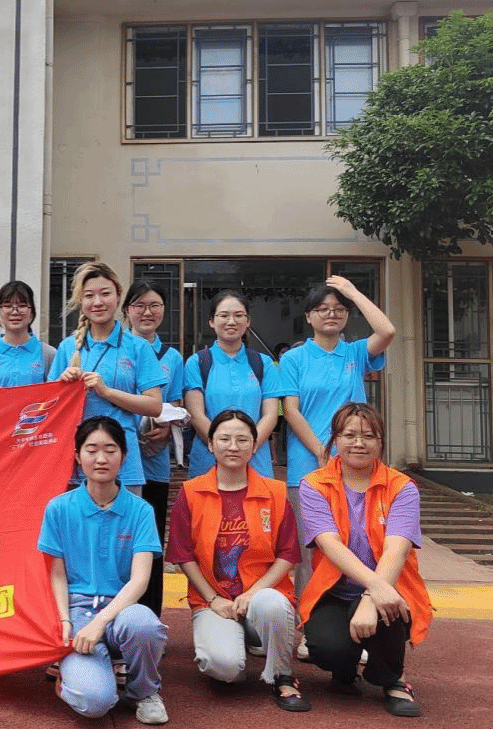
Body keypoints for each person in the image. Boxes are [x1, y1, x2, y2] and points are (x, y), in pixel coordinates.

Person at [166, 409, 309, 712]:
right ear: (210, 444)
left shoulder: (274, 492)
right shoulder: (191, 493)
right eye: (224, 439)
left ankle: (282, 674)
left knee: (271, 604)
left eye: (242, 440)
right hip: (214, 601)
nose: (233, 446)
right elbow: (182, 554)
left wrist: (252, 594)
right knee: (224, 667)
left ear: (254, 446)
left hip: (261, 597)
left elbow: (288, 554)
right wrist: (213, 598)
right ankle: (235, 644)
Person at [279, 275, 396, 640]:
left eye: (338, 309)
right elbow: (291, 409)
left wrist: (353, 293)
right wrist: (319, 448)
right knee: (310, 551)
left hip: (356, 467)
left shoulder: (356, 353)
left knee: (359, 547)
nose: (331, 314)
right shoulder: (294, 358)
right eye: (322, 309)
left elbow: (387, 331)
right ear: (308, 316)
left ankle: (356, 625)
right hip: (308, 466)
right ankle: (308, 629)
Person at [299, 403, 430, 718]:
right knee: (325, 648)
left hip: (390, 588)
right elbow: (330, 544)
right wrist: (375, 588)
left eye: (369, 436)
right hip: (335, 592)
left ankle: (392, 680)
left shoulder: (402, 487)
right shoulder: (314, 485)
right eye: (350, 435)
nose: (359, 443)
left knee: (390, 606)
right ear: (335, 439)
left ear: (381, 442)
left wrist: (373, 595)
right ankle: (343, 670)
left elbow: (396, 549)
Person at [38, 416, 169, 725]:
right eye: (91, 450)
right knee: (95, 702)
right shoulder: (58, 508)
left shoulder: (140, 510)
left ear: (123, 456)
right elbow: (57, 574)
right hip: (78, 612)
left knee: (144, 624)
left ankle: (144, 691)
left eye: (110, 450)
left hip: (121, 610)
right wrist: (65, 621)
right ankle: (75, 677)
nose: (101, 459)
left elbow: (140, 580)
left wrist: (100, 623)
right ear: (77, 456)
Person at [49, 262, 164, 495]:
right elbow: (48, 408)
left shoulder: (138, 347)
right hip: (75, 462)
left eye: (105, 293)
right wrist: (61, 385)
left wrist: (107, 392)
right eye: (89, 295)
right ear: (80, 301)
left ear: (119, 296)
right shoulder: (67, 347)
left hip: (123, 461)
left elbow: (154, 406)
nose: (98, 302)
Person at [121, 279, 184, 615]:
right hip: (117, 461)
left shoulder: (171, 357)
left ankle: (149, 617)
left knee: (150, 541)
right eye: (139, 306)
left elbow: (176, 403)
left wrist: (167, 428)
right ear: (126, 311)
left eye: (154, 305)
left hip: (154, 462)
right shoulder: (116, 349)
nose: (147, 312)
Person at [183, 290, 282, 480]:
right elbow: (195, 415)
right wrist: (223, 449)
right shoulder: (198, 362)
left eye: (238, 315)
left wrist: (247, 448)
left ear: (248, 321)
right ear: (211, 321)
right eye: (224, 315)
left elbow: (270, 415)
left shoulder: (263, 363)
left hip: (256, 462)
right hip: (208, 462)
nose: (231, 321)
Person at [0, 280, 56, 388]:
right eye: (8, 306)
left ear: (32, 312)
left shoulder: (49, 355)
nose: (14, 312)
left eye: (22, 306)